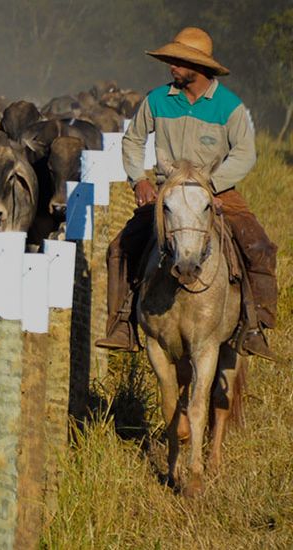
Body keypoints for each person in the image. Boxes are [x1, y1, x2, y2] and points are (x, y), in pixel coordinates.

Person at [98, 27, 274, 357]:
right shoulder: (156, 100)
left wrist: (213, 185)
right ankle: (122, 324)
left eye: (178, 62)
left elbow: (244, 153)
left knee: (259, 246)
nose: (172, 67)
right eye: (171, 61)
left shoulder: (229, 106)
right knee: (120, 247)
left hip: (218, 191)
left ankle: (255, 325)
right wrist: (139, 179)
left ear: (198, 67)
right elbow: (134, 140)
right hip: (169, 192)